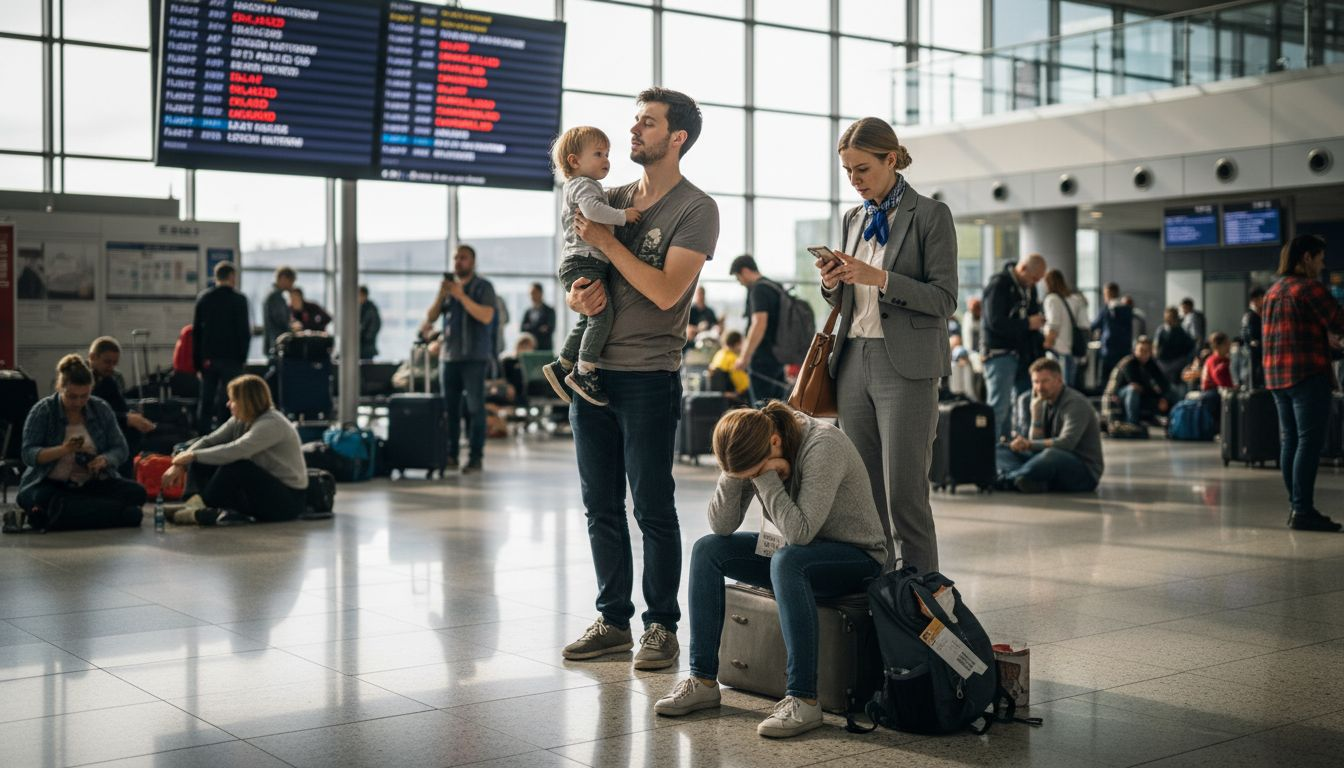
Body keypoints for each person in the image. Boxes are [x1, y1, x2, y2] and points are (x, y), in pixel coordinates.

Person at [560, 87, 719, 670]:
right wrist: (578, 293)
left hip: (649, 375)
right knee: (599, 505)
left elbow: (664, 289)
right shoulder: (611, 195)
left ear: (676, 137)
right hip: (593, 376)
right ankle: (612, 619)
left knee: (651, 506)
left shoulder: (696, 209)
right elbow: (579, 257)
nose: (633, 132)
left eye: (647, 123)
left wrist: (606, 241)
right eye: (634, 122)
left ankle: (661, 626)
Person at [652, 403, 885, 738]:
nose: (752, 477)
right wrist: (734, 474)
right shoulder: (753, 441)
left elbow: (800, 533)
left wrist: (765, 477)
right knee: (708, 550)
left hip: (856, 558)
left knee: (788, 559)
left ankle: (803, 699)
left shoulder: (823, 445)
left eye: (753, 470)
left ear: (776, 442)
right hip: (796, 557)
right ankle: (702, 680)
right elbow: (722, 525)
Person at [815, 116, 957, 575]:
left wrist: (880, 278)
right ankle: (876, 596)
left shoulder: (930, 216)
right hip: (853, 359)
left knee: (905, 495)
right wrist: (831, 281)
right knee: (863, 493)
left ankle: (921, 604)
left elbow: (944, 299)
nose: (854, 181)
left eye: (862, 169)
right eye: (847, 171)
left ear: (890, 160)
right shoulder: (853, 218)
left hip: (907, 366)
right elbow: (847, 297)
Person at [541, 125, 643, 407]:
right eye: (598, 154)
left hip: (578, 260)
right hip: (585, 259)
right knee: (601, 316)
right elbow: (593, 211)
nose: (606, 160)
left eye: (607, 153)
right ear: (574, 161)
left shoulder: (580, 185)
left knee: (589, 318)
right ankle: (584, 372)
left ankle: (562, 364)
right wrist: (623, 215)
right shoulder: (584, 185)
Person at [1262, 234, 1344, 532]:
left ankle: (1296, 506)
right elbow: (1339, 321)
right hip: (1307, 375)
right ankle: (1303, 510)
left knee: (1291, 441)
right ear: (1306, 257)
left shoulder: (1273, 291)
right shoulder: (1309, 289)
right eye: (1320, 258)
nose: (1322, 265)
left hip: (1276, 377)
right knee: (1309, 442)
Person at [16, 355, 145, 529]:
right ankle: (118, 514)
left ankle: (76, 514)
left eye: (84, 396)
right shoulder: (43, 411)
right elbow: (28, 454)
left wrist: (105, 460)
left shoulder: (100, 408)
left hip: (91, 483)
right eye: (71, 396)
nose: (78, 402)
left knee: (137, 492)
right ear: (60, 388)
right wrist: (63, 449)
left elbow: (120, 448)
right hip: (50, 484)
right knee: (44, 499)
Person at [161, 374, 307, 525]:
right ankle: (192, 505)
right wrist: (180, 463)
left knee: (237, 465)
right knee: (203, 457)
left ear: (246, 402)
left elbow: (237, 450)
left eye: (233, 400)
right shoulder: (241, 419)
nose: (228, 404)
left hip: (287, 501)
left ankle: (202, 507)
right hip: (262, 491)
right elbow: (209, 441)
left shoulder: (272, 423)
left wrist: (192, 455)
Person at [423, 245, 497, 474]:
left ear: (473, 262)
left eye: (463, 258)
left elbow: (486, 316)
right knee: (450, 410)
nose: (458, 262)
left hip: (474, 357)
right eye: (456, 258)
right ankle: (451, 455)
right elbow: (431, 318)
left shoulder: (483, 287)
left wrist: (461, 296)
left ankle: (476, 457)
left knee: (475, 409)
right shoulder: (449, 290)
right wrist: (441, 295)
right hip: (449, 358)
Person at [996, 357, 1104, 493]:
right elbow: (1036, 448)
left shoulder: (1075, 403)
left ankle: (1007, 479)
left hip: (1084, 472)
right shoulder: (1041, 401)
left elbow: (1067, 444)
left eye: (1045, 381)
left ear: (1059, 380)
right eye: (1035, 382)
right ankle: (1027, 480)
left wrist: (1028, 444)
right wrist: (1036, 415)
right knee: (1000, 450)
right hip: (1047, 463)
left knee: (1051, 455)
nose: (1039, 387)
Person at [981, 253, 1046, 440]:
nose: (1035, 283)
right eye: (1034, 278)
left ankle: (1015, 451)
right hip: (999, 355)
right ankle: (991, 457)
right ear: (1023, 268)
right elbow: (995, 322)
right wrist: (1027, 323)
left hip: (1023, 355)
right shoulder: (999, 285)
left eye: (1038, 280)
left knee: (1026, 404)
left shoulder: (1029, 289)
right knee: (1000, 408)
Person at [193, 261, 251, 433]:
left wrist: (197, 362)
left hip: (209, 359)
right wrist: (243, 357)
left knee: (206, 401)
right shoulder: (239, 300)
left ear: (216, 277)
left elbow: (196, 333)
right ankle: (224, 436)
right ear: (232, 277)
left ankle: (202, 438)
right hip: (232, 359)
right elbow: (244, 332)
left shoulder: (204, 298)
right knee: (229, 401)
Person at [87, 337, 156, 468]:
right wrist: (126, 419)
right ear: (92, 357)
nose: (111, 367)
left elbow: (120, 407)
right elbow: (89, 414)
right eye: (107, 362)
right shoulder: (82, 381)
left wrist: (134, 417)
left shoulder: (108, 380)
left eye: (114, 363)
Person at [728, 255, 788, 404]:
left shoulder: (758, 290)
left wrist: (744, 357)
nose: (740, 282)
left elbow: (758, 323)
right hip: (778, 357)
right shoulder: (775, 287)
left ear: (745, 271)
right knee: (778, 408)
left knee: (762, 410)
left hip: (762, 359)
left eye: (738, 277)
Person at [1104, 336, 1172, 427]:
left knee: (1172, 392)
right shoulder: (1129, 363)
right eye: (1141, 350)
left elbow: (1163, 383)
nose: (1144, 353)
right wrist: (1156, 396)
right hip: (1118, 395)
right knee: (1133, 390)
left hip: (1142, 394)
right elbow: (1136, 384)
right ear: (1135, 350)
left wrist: (1163, 398)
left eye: (1147, 351)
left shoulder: (1151, 364)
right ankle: (1132, 423)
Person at [1041, 269, 1085, 387]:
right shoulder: (1069, 299)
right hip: (1069, 348)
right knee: (1067, 388)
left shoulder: (1052, 299)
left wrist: (1046, 344)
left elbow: (1054, 324)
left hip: (1058, 350)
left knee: (1058, 388)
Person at [1091, 282, 1133, 388]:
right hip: (1124, 349)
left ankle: (1106, 399)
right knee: (1122, 376)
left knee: (1106, 378)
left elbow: (1095, 325)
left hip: (1109, 349)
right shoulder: (1127, 309)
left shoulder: (1107, 309)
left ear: (1108, 294)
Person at [1155, 307, 1195, 395]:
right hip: (1163, 363)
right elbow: (1156, 347)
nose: (1169, 320)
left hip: (1178, 364)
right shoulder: (1161, 330)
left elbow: (1190, 347)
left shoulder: (1182, 331)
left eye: (1171, 317)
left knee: (1177, 388)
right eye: (1167, 317)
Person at [263, 266, 298, 356]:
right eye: (291, 281)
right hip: (278, 344)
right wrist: (293, 331)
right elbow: (280, 320)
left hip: (273, 343)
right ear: (283, 278)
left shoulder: (273, 296)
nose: (292, 285)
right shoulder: (276, 298)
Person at [707, 330, 750, 397]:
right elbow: (743, 386)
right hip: (734, 397)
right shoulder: (733, 359)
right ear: (737, 344)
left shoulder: (719, 354)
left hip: (721, 396)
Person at [1241, 287, 1266, 388]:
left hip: (1254, 355)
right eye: (1262, 298)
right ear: (1256, 300)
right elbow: (1251, 338)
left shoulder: (1251, 315)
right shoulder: (1252, 316)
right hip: (1255, 356)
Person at [520, 282, 556, 352]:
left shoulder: (549, 311)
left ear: (541, 293)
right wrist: (539, 328)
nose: (532, 296)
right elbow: (522, 329)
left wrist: (530, 328)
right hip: (529, 349)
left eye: (534, 293)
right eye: (530, 294)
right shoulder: (528, 311)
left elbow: (550, 329)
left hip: (545, 349)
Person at [358, 285, 381, 360]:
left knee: (366, 369)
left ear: (364, 295)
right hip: (363, 347)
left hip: (366, 348)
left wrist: (364, 338)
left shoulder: (370, 309)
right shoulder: (361, 307)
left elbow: (374, 326)